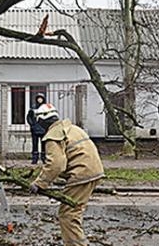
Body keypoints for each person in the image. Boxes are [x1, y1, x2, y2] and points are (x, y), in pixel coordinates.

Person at [29, 103, 105, 246]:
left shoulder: (53, 135)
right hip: (92, 170)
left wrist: (39, 183)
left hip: (82, 174)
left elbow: (56, 164)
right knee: (73, 212)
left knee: (68, 215)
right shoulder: (72, 128)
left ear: (42, 121)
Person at [26, 92, 47, 164]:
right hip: (34, 129)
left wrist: (45, 126)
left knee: (43, 144)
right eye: (38, 98)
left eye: (41, 98)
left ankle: (44, 158)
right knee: (35, 144)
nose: (39, 100)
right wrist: (32, 125)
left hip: (43, 129)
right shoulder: (33, 108)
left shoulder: (46, 108)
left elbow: (48, 118)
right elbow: (29, 117)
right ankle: (35, 158)